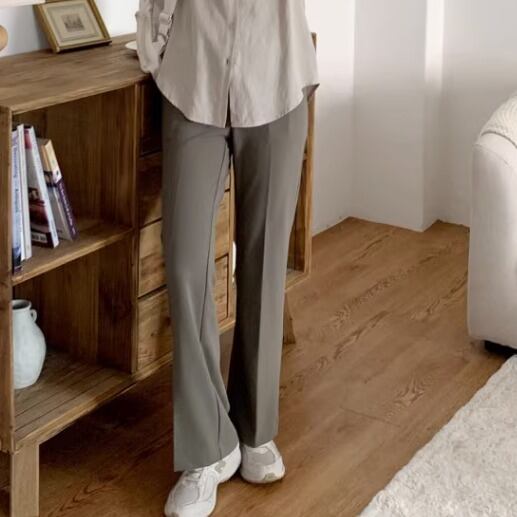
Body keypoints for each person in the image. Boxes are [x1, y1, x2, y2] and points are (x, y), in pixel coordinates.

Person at [136, 1, 319, 516]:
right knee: (185, 263)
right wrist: (155, 45)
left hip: (278, 76)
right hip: (193, 77)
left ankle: (255, 430)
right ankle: (208, 447)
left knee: (264, 262)